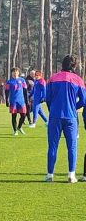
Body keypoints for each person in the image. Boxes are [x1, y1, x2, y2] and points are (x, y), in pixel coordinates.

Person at [45, 55, 85, 183]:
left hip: (55, 116)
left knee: (52, 146)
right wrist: (74, 107)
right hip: (71, 117)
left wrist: (53, 110)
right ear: (74, 66)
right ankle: (71, 175)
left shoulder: (52, 78)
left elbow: (48, 99)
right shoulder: (78, 80)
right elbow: (84, 101)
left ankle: (50, 175)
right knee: (72, 147)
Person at [5, 67, 28, 136]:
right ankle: (15, 130)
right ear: (12, 73)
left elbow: (25, 91)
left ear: (18, 72)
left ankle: (19, 127)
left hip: (21, 101)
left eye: (16, 71)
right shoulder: (9, 81)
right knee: (14, 116)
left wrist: (26, 100)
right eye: (14, 72)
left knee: (23, 115)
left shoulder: (22, 80)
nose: (15, 73)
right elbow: (7, 91)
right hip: (13, 101)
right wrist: (7, 100)